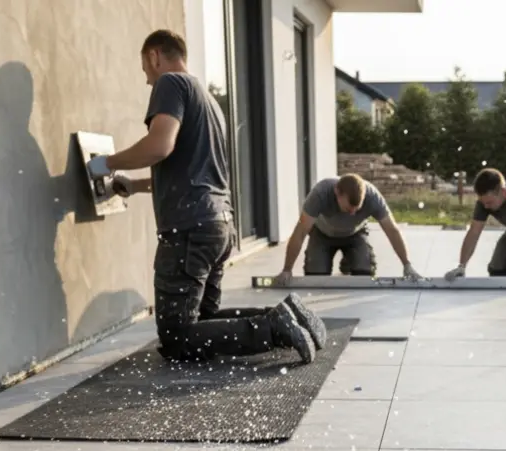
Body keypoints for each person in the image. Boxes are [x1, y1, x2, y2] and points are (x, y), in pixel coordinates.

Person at [86, 29, 326, 364]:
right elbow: (190, 169)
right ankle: (290, 315)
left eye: (145, 70)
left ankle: (274, 328)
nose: (147, 81)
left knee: (176, 338)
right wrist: (135, 185)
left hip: (189, 230)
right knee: (203, 320)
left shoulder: (170, 84)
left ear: (155, 56)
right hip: (217, 225)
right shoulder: (209, 102)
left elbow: (159, 146)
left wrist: (105, 164)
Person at [275, 174, 422, 284]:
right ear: (337, 192)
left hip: (355, 235)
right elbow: (300, 231)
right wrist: (287, 269)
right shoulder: (320, 193)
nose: (352, 213)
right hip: (322, 234)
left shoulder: (372, 197)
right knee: (316, 276)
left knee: (364, 273)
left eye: (356, 210)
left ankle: (349, 258)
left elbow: (392, 230)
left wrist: (407, 265)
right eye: (348, 208)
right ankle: (344, 258)